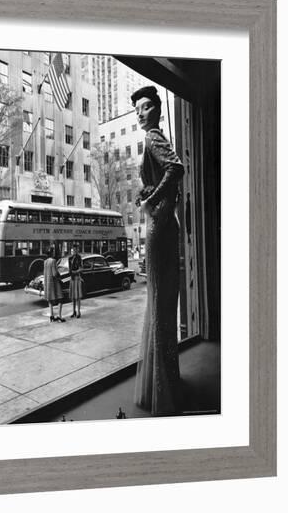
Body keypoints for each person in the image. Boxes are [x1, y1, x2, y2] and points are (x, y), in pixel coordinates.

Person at [131, 85, 184, 416]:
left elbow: (176, 169)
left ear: (158, 110)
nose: (140, 113)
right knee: (163, 305)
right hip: (165, 225)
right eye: (138, 108)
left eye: (146, 107)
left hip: (159, 227)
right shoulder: (156, 137)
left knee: (159, 303)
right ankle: (167, 383)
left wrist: (151, 199)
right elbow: (168, 172)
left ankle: (162, 388)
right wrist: (146, 191)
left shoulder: (152, 137)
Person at [43, 248, 65, 323]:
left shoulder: (45, 262)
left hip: (48, 283)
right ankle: (59, 316)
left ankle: (51, 316)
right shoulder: (53, 261)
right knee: (61, 298)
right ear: (52, 253)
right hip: (54, 283)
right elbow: (54, 273)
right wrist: (59, 275)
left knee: (50, 300)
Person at [68, 244, 83, 318]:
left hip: (77, 277)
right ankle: (73, 311)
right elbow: (69, 269)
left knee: (77, 297)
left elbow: (81, 269)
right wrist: (71, 272)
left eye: (76, 249)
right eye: (73, 249)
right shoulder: (70, 258)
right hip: (72, 278)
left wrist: (75, 272)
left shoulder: (79, 257)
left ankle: (78, 312)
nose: (75, 251)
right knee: (73, 297)